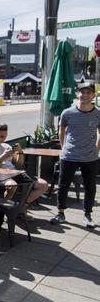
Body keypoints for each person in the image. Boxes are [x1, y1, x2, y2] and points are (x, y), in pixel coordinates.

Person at [50, 81, 100, 228]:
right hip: (69, 156)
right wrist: (64, 147)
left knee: (90, 187)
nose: (84, 95)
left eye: (88, 92)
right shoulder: (67, 113)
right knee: (63, 185)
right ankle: (60, 213)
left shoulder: (98, 113)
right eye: (82, 92)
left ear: (93, 95)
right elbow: (61, 131)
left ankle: (87, 215)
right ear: (77, 94)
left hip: (90, 157)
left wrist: (97, 149)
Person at [0, 123, 49, 212]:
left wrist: (20, 152)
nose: (3, 139)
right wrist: (3, 156)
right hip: (1, 175)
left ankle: (22, 206)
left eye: (5, 136)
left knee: (43, 185)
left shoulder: (6, 146)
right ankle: (6, 210)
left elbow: (19, 163)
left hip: (15, 173)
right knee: (12, 185)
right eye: (1, 136)